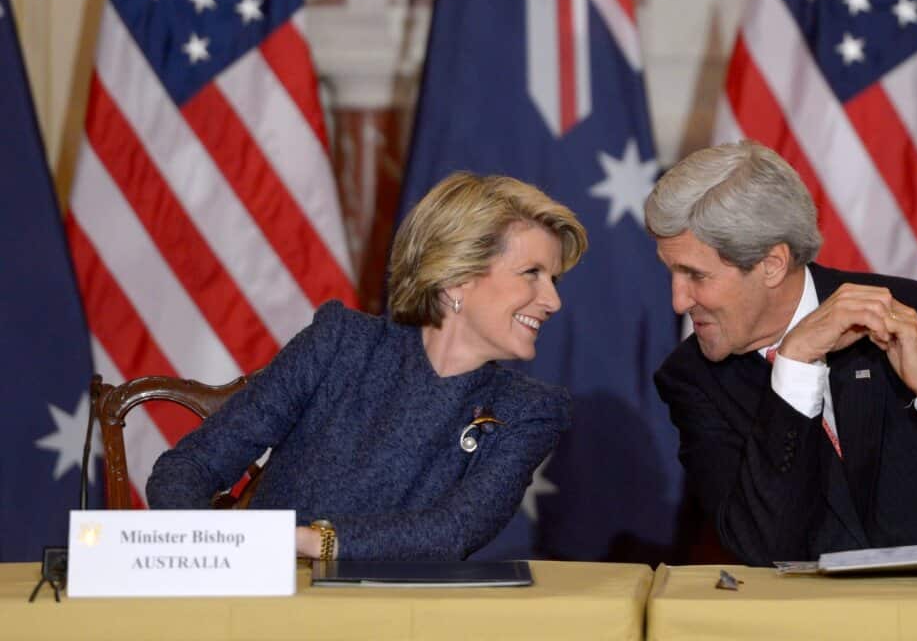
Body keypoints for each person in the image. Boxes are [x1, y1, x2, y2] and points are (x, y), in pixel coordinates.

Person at [645, 140, 917, 566]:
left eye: (695, 276)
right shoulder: (693, 378)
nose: (679, 301)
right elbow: (763, 550)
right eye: (673, 274)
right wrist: (793, 368)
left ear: (772, 264)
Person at [147, 172, 587, 562]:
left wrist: (300, 541)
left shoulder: (529, 409)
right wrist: (205, 551)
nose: (552, 300)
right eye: (531, 273)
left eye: (554, 280)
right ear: (456, 277)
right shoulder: (341, 343)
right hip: (259, 602)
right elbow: (192, 466)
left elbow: (453, 532)